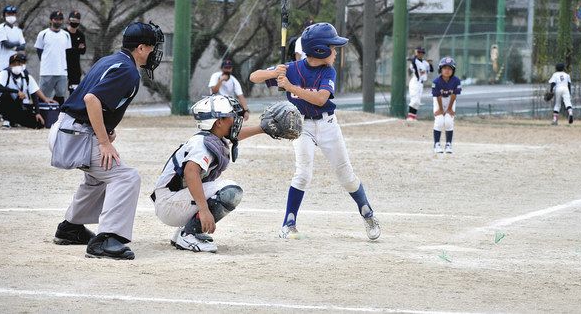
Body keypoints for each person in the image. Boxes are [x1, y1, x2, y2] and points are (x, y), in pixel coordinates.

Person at [250, 22, 380, 241]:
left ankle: (367, 212)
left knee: (345, 174)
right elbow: (254, 76)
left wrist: (291, 88)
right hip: (302, 126)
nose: (336, 52)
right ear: (320, 50)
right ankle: (288, 223)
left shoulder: (327, 71)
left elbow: (320, 99)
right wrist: (273, 72)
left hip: (328, 125)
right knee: (302, 173)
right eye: (333, 47)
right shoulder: (291, 69)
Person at [48, 21, 164, 260]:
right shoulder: (128, 70)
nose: (154, 53)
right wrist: (104, 141)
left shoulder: (110, 60)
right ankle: (108, 239)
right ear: (140, 48)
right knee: (126, 176)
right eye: (151, 47)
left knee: (98, 177)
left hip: (68, 130)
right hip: (75, 136)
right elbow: (91, 100)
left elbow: (91, 100)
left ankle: (71, 228)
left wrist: (104, 130)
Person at [152, 95, 267, 253]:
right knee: (230, 192)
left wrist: (262, 128)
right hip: (170, 204)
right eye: (231, 117)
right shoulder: (202, 144)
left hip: (171, 201)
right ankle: (189, 235)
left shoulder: (211, 137)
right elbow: (191, 172)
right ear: (219, 121)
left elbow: (235, 136)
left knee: (224, 188)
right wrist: (204, 210)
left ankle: (183, 232)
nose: (235, 120)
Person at [0, 53, 56, 129]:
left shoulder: (26, 76)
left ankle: (14, 120)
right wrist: (17, 91)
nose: (18, 65)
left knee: (38, 124)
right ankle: (7, 120)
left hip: (20, 105)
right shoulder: (5, 73)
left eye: (20, 63)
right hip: (6, 103)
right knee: (6, 95)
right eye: (15, 63)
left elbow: (34, 93)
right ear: (10, 65)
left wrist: (38, 113)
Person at [35, 11, 71, 105]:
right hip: (47, 71)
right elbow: (39, 50)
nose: (58, 22)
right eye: (56, 19)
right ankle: (41, 117)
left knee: (60, 95)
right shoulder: (43, 34)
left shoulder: (66, 35)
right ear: (51, 20)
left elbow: (67, 52)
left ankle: (56, 116)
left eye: (60, 20)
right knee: (43, 96)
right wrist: (45, 62)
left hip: (62, 71)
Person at [431, 57, 461, 154]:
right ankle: (436, 144)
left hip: (450, 100)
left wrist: (449, 109)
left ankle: (448, 144)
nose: (447, 71)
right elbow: (438, 96)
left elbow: (454, 95)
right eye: (445, 68)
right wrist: (440, 109)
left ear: (453, 70)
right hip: (438, 100)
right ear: (440, 69)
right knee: (439, 121)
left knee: (448, 121)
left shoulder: (456, 81)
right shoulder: (436, 82)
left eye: (450, 68)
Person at [0, 5, 26, 83]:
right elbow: (6, 44)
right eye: (8, 14)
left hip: (13, 66)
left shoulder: (18, 30)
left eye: (13, 14)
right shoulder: (1, 28)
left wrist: (14, 47)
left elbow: (23, 46)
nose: (11, 16)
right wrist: (16, 43)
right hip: (0, 65)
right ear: (4, 15)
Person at [407, 46, 433, 121]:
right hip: (415, 81)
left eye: (422, 52)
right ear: (416, 53)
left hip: (421, 83)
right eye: (418, 52)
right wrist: (414, 56)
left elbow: (431, 70)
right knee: (414, 100)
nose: (420, 54)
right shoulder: (414, 62)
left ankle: (413, 117)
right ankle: (409, 117)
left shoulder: (425, 63)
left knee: (418, 101)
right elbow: (413, 63)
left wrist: (430, 63)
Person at [65, 11, 86, 94]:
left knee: (74, 90)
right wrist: (76, 48)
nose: (74, 23)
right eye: (72, 20)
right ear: (68, 20)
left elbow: (83, 51)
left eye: (76, 21)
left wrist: (75, 49)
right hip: (64, 64)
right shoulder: (64, 33)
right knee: (60, 90)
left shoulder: (81, 35)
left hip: (75, 66)